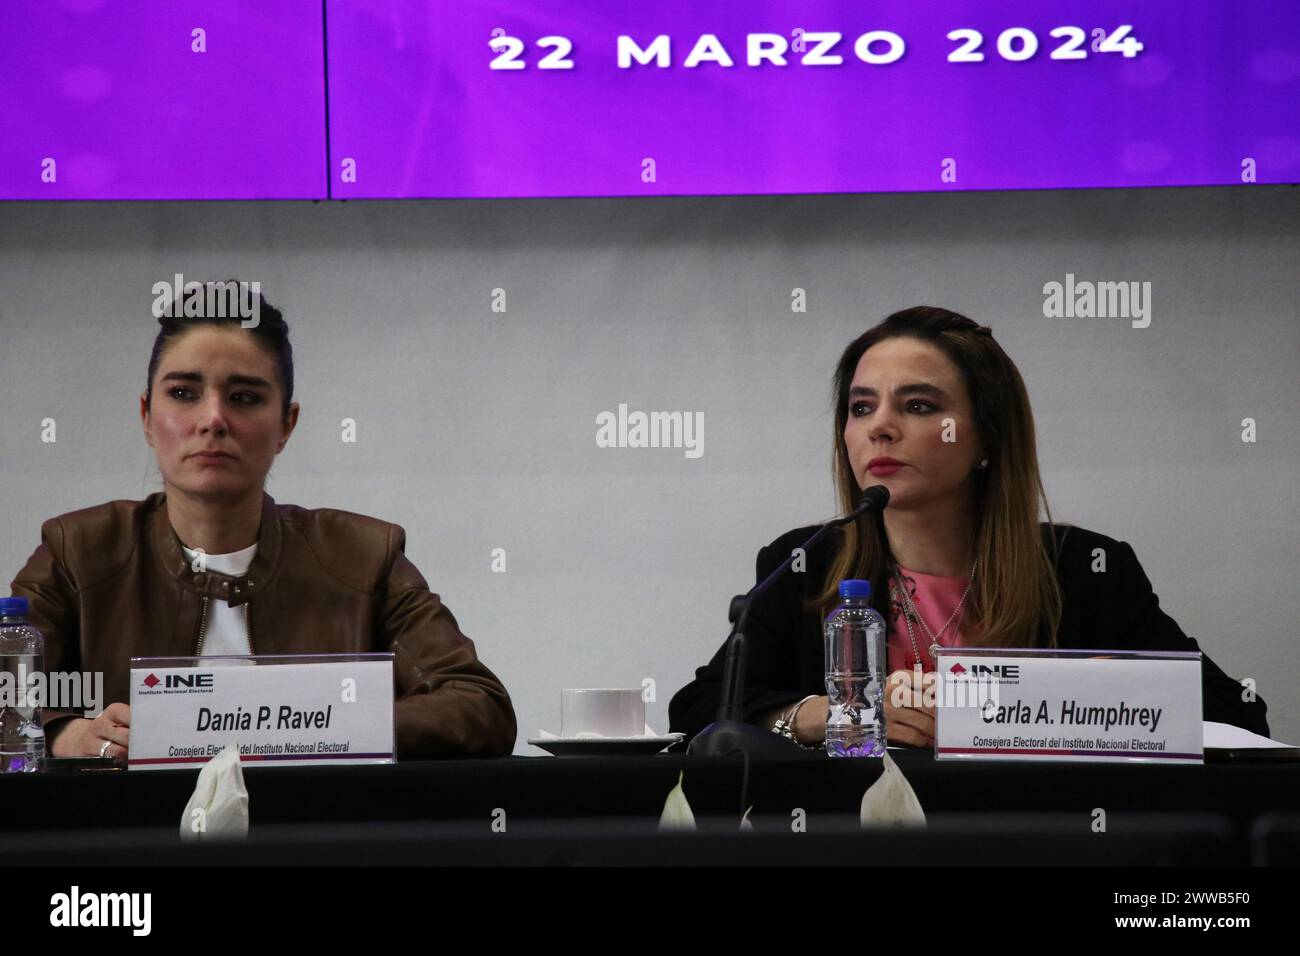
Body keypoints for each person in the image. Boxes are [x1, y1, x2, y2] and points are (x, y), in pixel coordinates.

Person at [669, 306, 1269, 748]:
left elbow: (1238, 715)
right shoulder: (807, 563)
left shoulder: (1084, 569)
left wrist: (1100, 697)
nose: (880, 427)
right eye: (861, 406)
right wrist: (815, 715)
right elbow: (698, 708)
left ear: (985, 436)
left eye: (919, 406)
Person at [10, 284, 516, 761]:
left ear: (286, 426)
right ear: (146, 415)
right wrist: (64, 731)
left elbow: (479, 705)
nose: (213, 419)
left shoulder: (362, 557)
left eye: (245, 397)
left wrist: (312, 725)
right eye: (184, 393)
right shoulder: (78, 552)